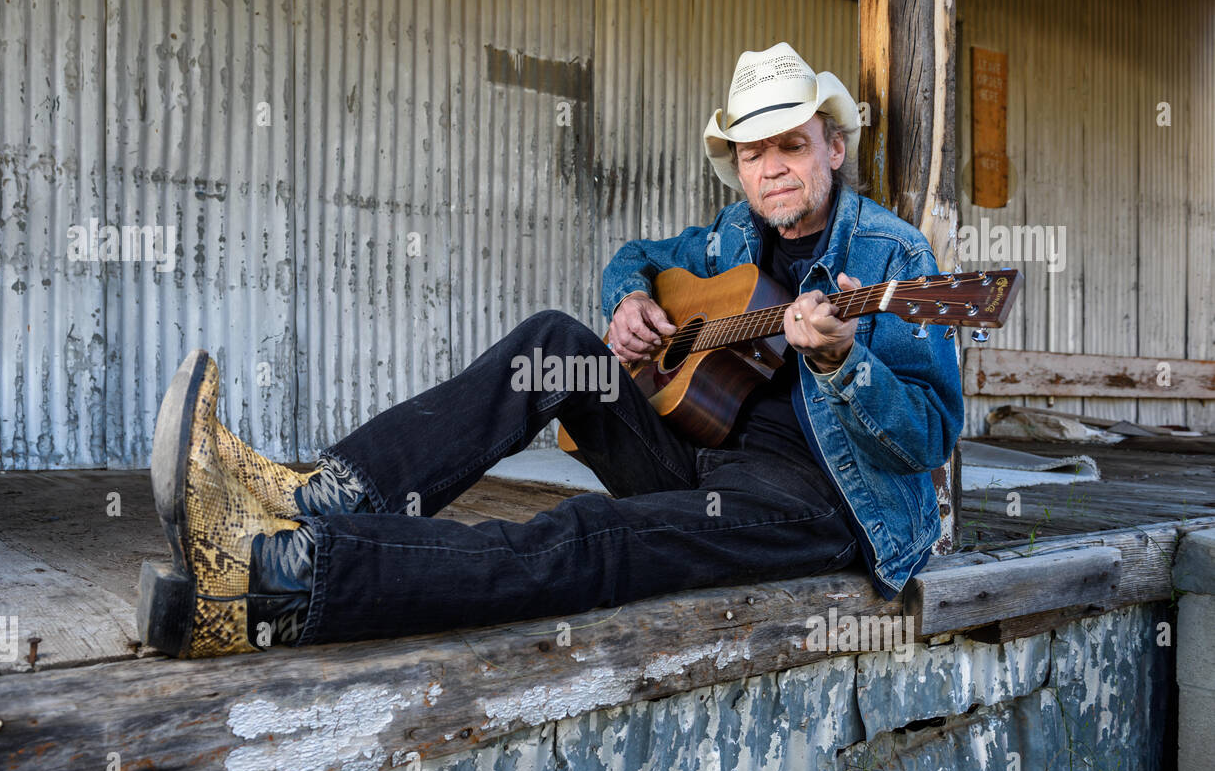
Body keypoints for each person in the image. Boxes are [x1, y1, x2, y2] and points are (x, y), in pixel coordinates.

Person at [138, 41, 964, 660]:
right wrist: (630, 300)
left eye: (791, 144)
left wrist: (841, 362)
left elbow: (930, 433)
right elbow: (636, 254)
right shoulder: (726, 237)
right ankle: (317, 494)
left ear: (833, 146)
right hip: (701, 453)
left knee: (589, 536)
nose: (774, 168)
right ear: (738, 167)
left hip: (812, 502)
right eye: (755, 152)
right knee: (551, 343)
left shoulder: (895, 260)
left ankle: (279, 580)